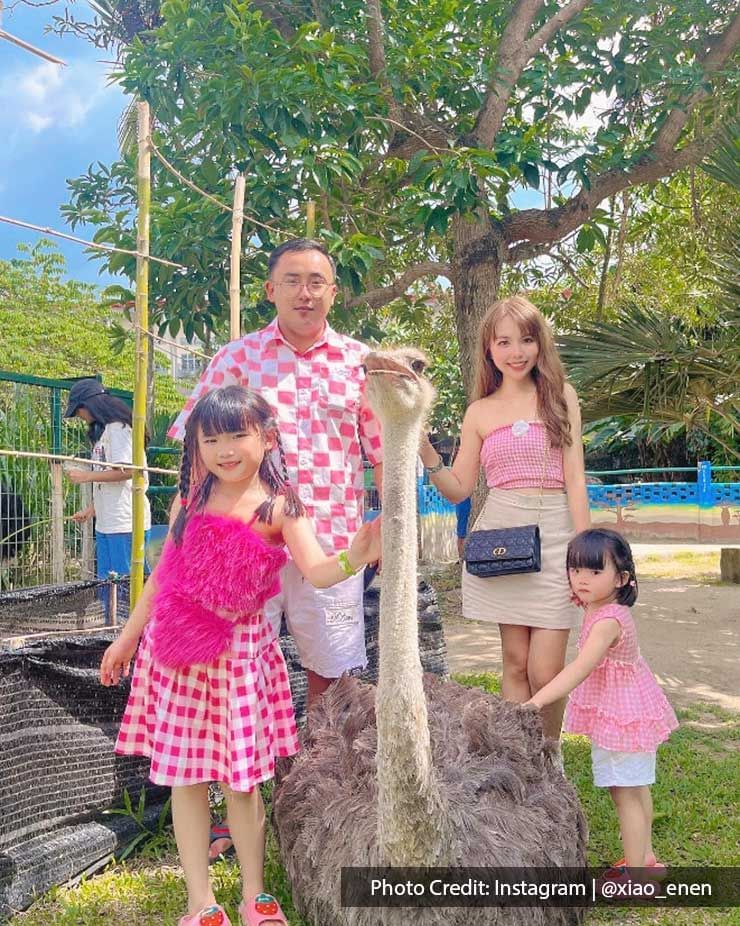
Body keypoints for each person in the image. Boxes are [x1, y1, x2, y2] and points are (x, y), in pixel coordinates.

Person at [100, 386, 381, 926]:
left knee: (242, 778)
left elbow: (318, 571)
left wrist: (356, 557)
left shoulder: (281, 506)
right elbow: (163, 578)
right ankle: (200, 901)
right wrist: (127, 637)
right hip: (177, 656)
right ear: (196, 447)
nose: (225, 449)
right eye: (211, 439)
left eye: (237, 435)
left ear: (266, 437)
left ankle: (254, 895)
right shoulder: (188, 500)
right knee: (186, 777)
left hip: (240, 656)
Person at [168, 238, 383, 859]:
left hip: (333, 541)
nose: (305, 292)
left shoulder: (359, 364)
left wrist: (382, 531)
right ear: (271, 290)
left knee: (331, 669)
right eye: (292, 280)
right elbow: (191, 447)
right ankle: (214, 814)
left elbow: (382, 452)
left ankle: (308, 796)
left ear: (334, 291)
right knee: (215, 667)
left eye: (317, 281)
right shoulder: (236, 358)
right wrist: (187, 539)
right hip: (239, 549)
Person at [418, 295, 590, 742]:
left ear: (540, 345)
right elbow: (459, 486)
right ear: (489, 349)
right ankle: (520, 763)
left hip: (556, 536)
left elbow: (575, 478)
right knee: (514, 662)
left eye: (526, 340)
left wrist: (584, 547)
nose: (516, 352)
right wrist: (423, 448)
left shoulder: (560, 397)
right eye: (504, 342)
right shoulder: (480, 411)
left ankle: (550, 762)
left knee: (545, 667)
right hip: (502, 537)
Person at [526, 529, 678, 882]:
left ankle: (638, 877)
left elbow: (581, 668)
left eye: (595, 572)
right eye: (575, 570)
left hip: (623, 716)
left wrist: (537, 701)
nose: (581, 579)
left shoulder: (608, 621)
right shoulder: (601, 606)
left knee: (626, 793)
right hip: (626, 711)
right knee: (633, 787)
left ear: (622, 578)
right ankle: (645, 859)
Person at [64, 378, 151, 612]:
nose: (80, 416)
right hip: (106, 521)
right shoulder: (103, 433)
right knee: (107, 581)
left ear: (90, 405)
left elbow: (127, 471)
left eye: (79, 410)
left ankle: (131, 630)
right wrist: (91, 510)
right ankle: (111, 628)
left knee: (125, 582)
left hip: (125, 520)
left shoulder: (119, 429)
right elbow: (107, 477)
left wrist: (86, 477)